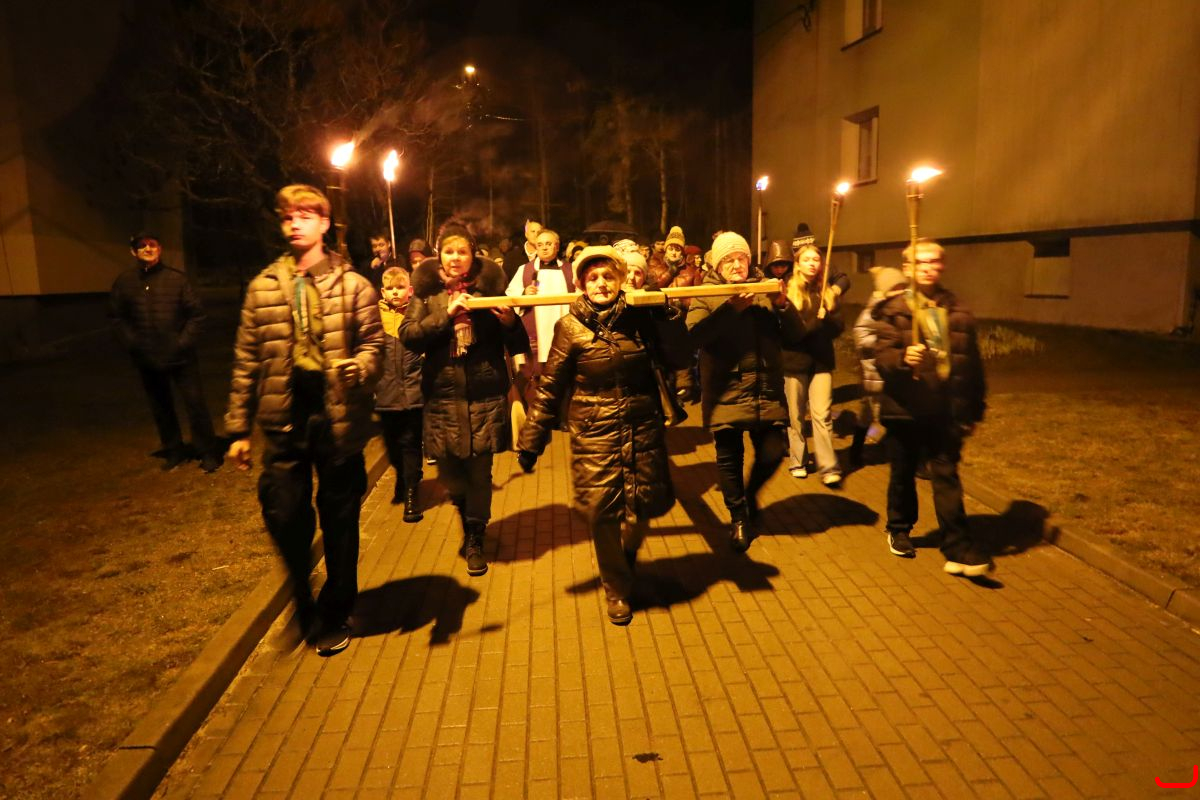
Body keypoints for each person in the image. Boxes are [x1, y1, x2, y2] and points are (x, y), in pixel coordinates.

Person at [224, 184, 383, 655]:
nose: (295, 223)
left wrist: (360, 367)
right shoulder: (263, 288)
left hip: (337, 419)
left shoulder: (353, 285)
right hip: (284, 421)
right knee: (285, 515)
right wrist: (237, 429)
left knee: (340, 520)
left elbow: (375, 344)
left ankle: (336, 609)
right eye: (288, 216)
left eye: (305, 215)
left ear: (324, 223)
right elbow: (246, 360)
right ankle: (302, 599)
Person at [517, 246, 689, 625]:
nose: (600, 284)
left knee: (641, 508)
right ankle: (616, 588)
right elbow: (550, 386)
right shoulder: (570, 327)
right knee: (604, 513)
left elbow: (677, 356)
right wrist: (532, 439)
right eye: (592, 277)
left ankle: (623, 560)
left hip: (641, 425)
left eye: (607, 276)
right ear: (581, 284)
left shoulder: (640, 318)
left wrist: (668, 317)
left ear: (620, 280)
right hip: (594, 431)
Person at [400, 220, 530, 577]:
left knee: (479, 473)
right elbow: (409, 336)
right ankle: (465, 511)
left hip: (484, 395)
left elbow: (517, 342)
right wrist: (447, 314)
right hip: (442, 397)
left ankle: (475, 533)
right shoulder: (427, 294)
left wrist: (509, 322)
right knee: (451, 475)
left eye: (462, 251)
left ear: (473, 255)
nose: (455, 257)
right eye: (449, 251)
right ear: (439, 255)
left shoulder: (490, 291)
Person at [873, 240, 989, 575]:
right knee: (903, 472)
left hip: (944, 410)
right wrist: (901, 358)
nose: (927, 267)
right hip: (904, 407)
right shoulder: (894, 310)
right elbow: (881, 357)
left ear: (942, 266)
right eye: (919, 262)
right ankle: (899, 528)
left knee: (946, 475)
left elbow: (972, 365)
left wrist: (973, 409)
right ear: (907, 268)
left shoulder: (958, 312)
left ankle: (958, 547)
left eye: (933, 261)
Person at [686, 231, 807, 553]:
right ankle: (738, 517)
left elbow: (796, 336)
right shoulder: (705, 294)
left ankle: (750, 495)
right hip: (725, 390)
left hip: (765, 390)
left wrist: (783, 306)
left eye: (741, 258)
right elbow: (694, 337)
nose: (736, 265)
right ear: (717, 266)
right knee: (730, 459)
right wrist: (730, 309)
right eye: (728, 260)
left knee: (773, 451)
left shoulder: (765, 289)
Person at [110, 232, 221, 472]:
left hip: (181, 357)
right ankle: (174, 450)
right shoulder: (125, 282)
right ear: (133, 251)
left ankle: (207, 451)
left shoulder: (177, 280)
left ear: (159, 249)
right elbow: (117, 317)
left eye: (152, 245)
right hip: (147, 357)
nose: (148, 249)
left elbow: (197, 315)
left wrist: (181, 343)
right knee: (160, 406)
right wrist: (133, 343)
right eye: (142, 246)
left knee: (195, 404)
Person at [781, 242, 851, 485]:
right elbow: (791, 333)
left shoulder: (827, 293)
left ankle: (828, 466)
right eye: (807, 259)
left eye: (816, 260)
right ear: (797, 264)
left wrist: (828, 318)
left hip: (821, 362)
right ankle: (798, 461)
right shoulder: (788, 291)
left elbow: (839, 328)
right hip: (794, 362)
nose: (812, 264)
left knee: (822, 415)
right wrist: (814, 323)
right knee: (796, 417)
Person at [376, 266, 425, 522]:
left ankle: (411, 491)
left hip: (414, 392)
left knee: (410, 443)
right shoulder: (375, 318)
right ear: (383, 292)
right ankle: (402, 476)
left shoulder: (417, 315)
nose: (395, 292)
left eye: (400, 287)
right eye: (390, 288)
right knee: (392, 444)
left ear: (410, 290)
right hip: (385, 393)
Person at [505, 228, 574, 399]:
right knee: (537, 379)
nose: (544, 248)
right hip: (537, 333)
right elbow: (510, 295)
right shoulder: (525, 270)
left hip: (563, 329)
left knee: (565, 377)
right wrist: (523, 293)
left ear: (557, 246)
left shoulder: (570, 270)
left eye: (548, 244)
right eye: (540, 244)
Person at [850, 266, 905, 466]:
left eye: (902, 286)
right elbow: (860, 335)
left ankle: (900, 454)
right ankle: (856, 452)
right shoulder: (873, 310)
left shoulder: (902, 308)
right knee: (870, 414)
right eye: (895, 288)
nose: (900, 291)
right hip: (873, 371)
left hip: (892, 372)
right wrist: (882, 344)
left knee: (891, 413)